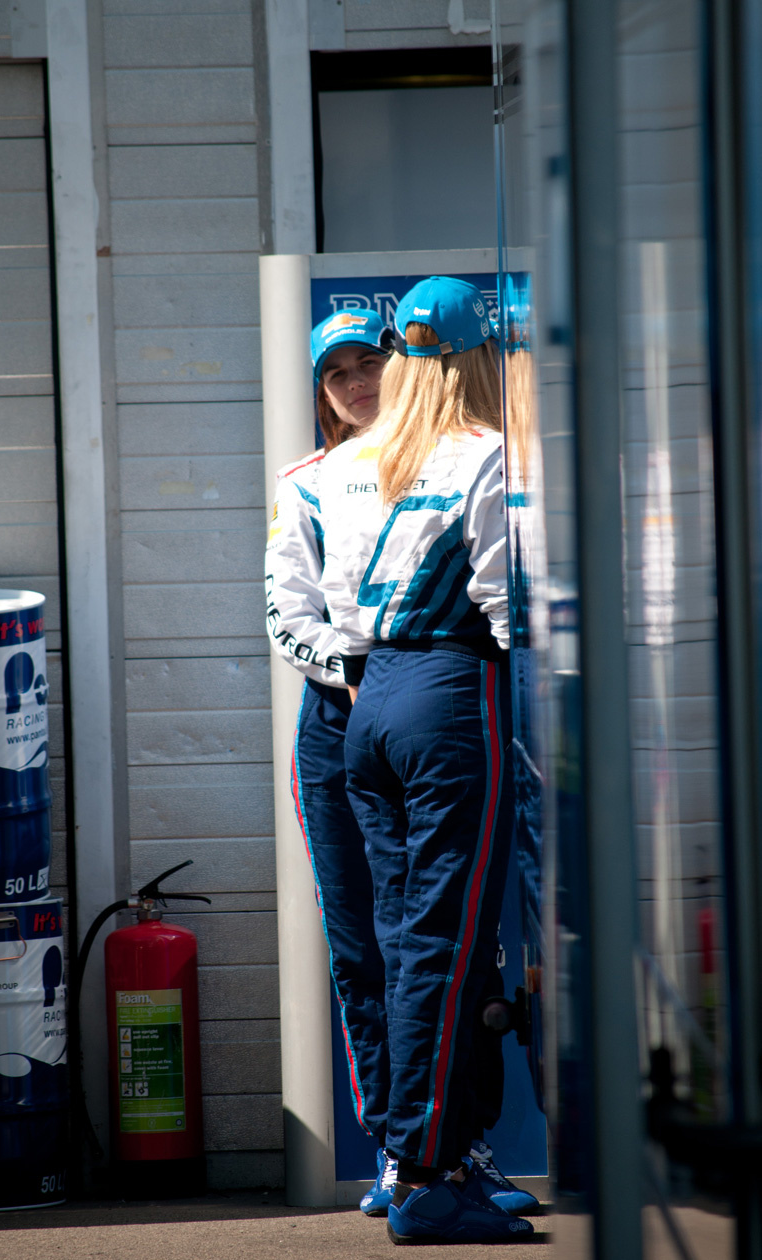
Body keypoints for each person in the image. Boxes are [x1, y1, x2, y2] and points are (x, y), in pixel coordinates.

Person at [317, 276, 536, 1244]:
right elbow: (507, 602)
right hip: (453, 695)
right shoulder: (489, 453)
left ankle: (416, 1159)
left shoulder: (376, 457)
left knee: (413, 945)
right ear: (478, 356)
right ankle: (434, 1176)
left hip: (374, 705)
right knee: (448, 949)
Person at [265, 309, 396, 1211]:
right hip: (336, 723)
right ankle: (399, 1147)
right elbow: (284, 615)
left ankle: (455, 1142)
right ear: (320, 389)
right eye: (336, 371)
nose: (355, 383)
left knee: (434, 942)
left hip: (436, 718)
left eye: (369, 363)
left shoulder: (461, 462)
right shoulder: (304, 481)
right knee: (358, 946)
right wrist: (348, 672)